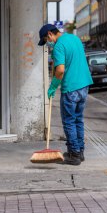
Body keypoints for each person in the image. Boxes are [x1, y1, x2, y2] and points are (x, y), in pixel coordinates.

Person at [38, 24, 93, 165]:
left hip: (71, 88)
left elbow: (60, 70)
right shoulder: (74, 38)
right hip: (84, 84)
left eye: (46, 39)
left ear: (50, 34)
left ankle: (74, 155)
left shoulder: (58, 47)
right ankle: (79, 152)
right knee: (78, 120)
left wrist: (53, 86)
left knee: (69, 121)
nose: (48, 43)